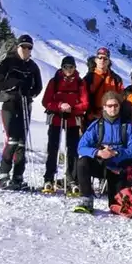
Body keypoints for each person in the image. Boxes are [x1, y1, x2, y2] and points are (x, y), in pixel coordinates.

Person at [74, 91, 132, 214]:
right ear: (104, 107)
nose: (113, 109)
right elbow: (81, 147)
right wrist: (98, 152)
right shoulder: (96, 125)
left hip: (118, 167)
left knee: (115, 207)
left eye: (115, 105)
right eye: (109, 106)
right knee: (83, 162)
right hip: (100, 165)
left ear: (119, 106)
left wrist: (116, 152)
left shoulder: (127, 126)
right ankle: (86, 199)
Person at [0, 34, 43, 190]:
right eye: (24, 47)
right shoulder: (8, 62)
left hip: (25, 105)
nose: (26, 50)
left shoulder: (33, 66)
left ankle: (18, 177)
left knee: (21, 143)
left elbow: (38, 86)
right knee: (12, 140)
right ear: (18, 47)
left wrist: (30, 92)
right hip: (9, 105)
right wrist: (15, 84)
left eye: (29, 47)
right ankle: (3, 175)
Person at [41, 55, 89, 194]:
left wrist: (72, 108)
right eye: (66, 67)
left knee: (72, 150)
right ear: (61, 68)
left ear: (75, 68)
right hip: (56, 118)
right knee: (53, 148)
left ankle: (71, 179)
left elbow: (85, 103)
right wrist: (60, 106)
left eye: (71, 67)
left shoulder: (80, 83)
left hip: (73, 120)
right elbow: (46, 101)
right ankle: (49, 178)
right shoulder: (54, 81)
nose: (68, 69)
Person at [84, 46, 124, 123]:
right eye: (100, 58)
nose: (102, 60)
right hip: (92, 118)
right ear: (96, 60)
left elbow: (121, 99)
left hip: (111, 118)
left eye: (105, 58)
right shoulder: (88, 79)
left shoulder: (116, 79)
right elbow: (83, 98)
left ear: (109, 61)